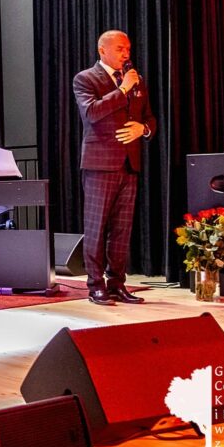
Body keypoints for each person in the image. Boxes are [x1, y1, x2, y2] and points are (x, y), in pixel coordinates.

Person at [72, 30, 157, 306]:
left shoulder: (136, 79)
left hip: (129, 164)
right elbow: (91, 113)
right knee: (96, 227)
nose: (126, 54)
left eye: (128, 49)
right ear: (103, 50)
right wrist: (122, 90)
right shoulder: (86, 79)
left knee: (122, 229)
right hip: (100, 164)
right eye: (120, 48)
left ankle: (117, 283)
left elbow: (149, 118)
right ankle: (95, 285)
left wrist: (143, 129)